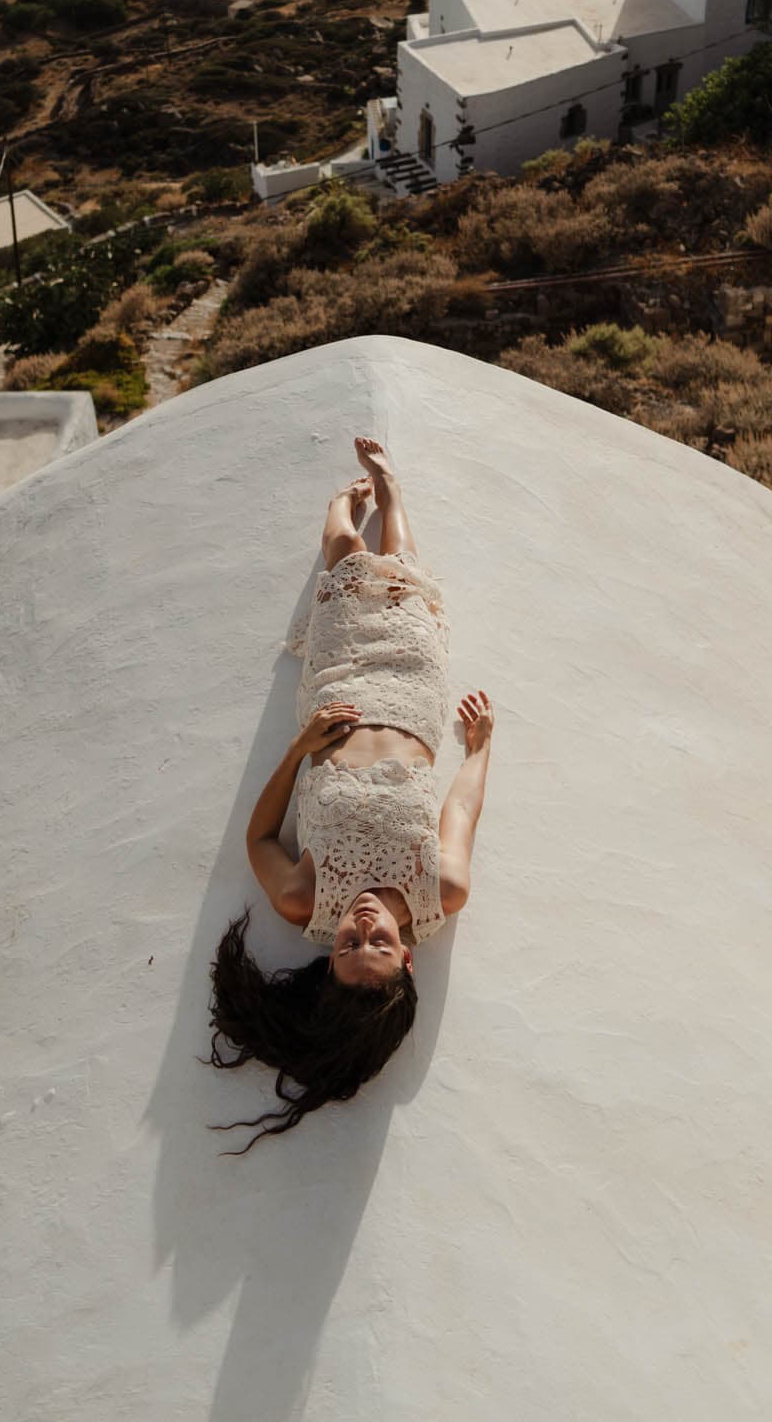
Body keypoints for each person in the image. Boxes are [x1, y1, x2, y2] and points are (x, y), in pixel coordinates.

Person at [208, 435, 494, 1145]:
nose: (361, 920)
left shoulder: (305, 899)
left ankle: (342, 506)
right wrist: (480, 751)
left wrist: (300, 751)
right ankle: (392, 495)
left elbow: (259, 838)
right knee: (403, 587)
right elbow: (458, 809)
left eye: (346, 944)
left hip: (339, 691)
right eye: (377, 939)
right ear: (403, 955)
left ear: (328, 956)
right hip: (411, 696)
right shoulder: (442, 890)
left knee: (343, 561)